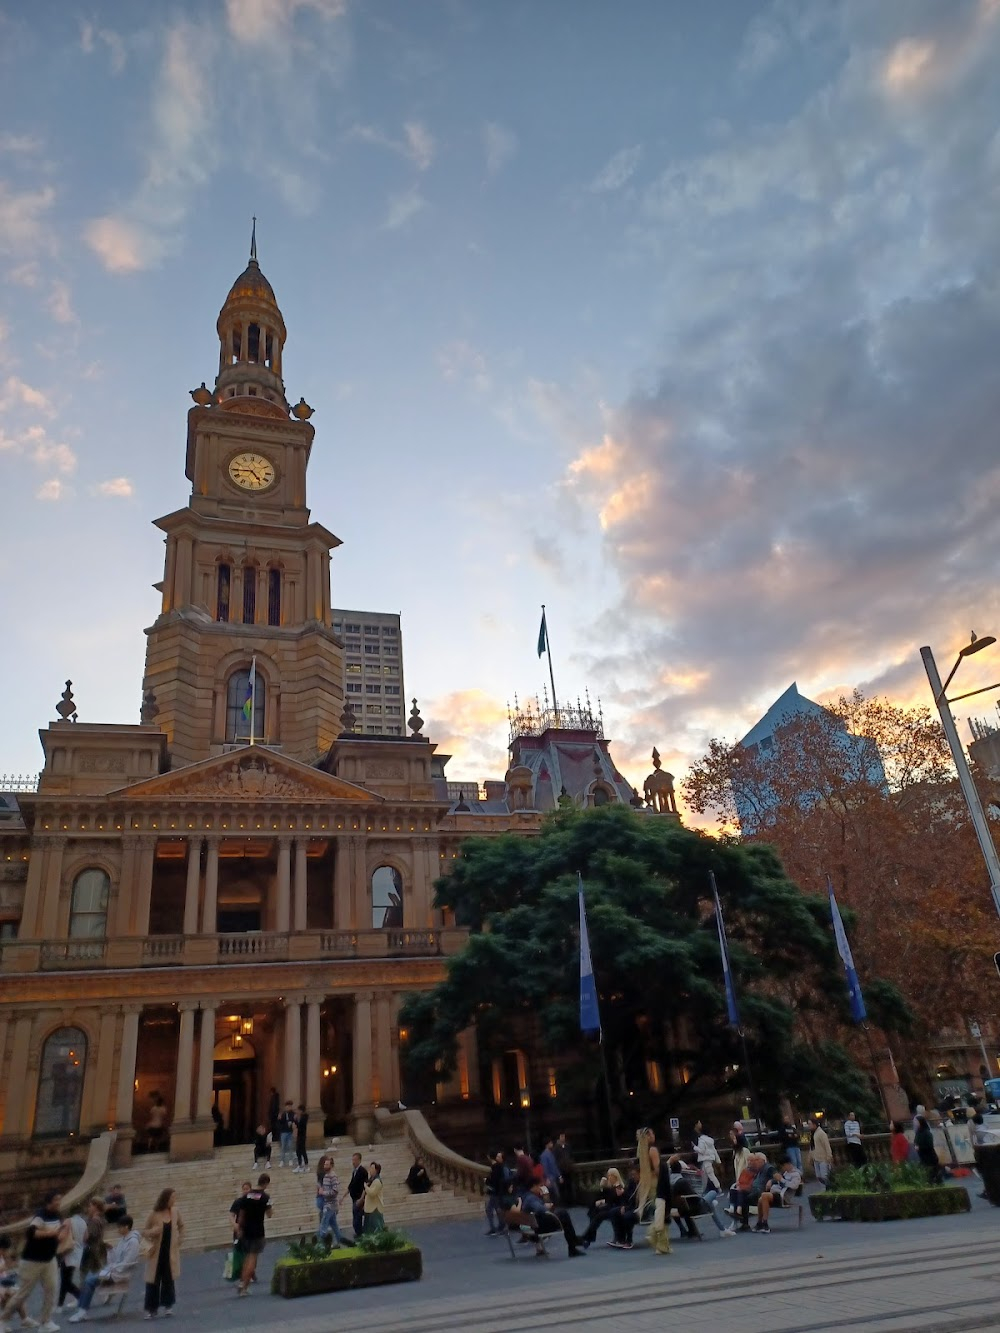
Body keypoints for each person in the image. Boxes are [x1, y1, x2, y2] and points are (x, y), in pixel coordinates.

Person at [5, 1189, 63, 1332]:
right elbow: (31, 1233)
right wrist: (51, 1233)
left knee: (52, 1289)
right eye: (56, 1199)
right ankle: (2, 1320)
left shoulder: (58, 1215)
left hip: (49, 1259)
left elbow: (59, 1232)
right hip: (32, 1260)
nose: (59, 1202)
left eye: (60, 1199)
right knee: (23, 1293)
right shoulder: (40, 1215)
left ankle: (45, 1322)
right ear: (49, 1201)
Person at [67, 1215, 141, 1323]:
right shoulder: (123, 1240)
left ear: (126, 1227)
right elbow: (116, 1257)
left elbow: (127, 1261)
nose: (118, 1229)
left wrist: (112, 1268)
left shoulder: (133, 1242)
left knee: (89, 1281)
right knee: (89, 1279)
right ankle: (81, 1310)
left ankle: (82, 1311)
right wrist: (111, 1250)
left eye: (120, 1227)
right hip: (113, 1269)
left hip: (118, 1273)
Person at [142, 1186, 183, 1318]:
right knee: (153, 1280)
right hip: (156, 1253)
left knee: (168, 1279)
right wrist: (153, 1232)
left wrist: (179, 1239)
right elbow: (144, 1231)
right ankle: (151, 1309)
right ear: (166, 1198)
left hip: (170, 1251)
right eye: (172, 1197)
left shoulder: (175, 1212)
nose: (174, 1200)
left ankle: (168, 1305)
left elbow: (182, 1226)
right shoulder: (154, 1213)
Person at [517, 1183, 586, 1257]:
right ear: (532, 1187)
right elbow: (540, 1209)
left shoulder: (526, 1196)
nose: (540, 1188)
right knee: (564, 1214)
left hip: (533, 1225)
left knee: (562, 1215)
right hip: (539, 1227)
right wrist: (546, 1206)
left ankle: (574, 1242)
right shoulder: (531, 1198)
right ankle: (574, 1244)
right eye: (538, 1186)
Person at [235, 1175, 272, 1297]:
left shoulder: (247, 1195)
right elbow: (269, 1214)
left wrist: (239, 1228)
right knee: (252, 1259)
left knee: (247, 1257)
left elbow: (241, 1214)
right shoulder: (265, 1197)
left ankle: (242, 1281)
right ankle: (244, 1287)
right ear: (266, 1183)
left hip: (246, 1230)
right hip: (258, 1230)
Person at [580, 1169, 625, 1246]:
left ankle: (587, 1236)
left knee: (599, 1215)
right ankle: (589, 1237)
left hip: (615, 1208)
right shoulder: (610, 1186)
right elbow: (601, 1197)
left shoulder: (619, 1186)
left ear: (615, 1176)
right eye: (608, 1175)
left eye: (611, 1175)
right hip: (609, 1207)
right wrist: (601, 1188)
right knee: (593, 1211)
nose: (609, 1177)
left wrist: (602, 1202)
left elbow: (612, 1200)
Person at [57, 1206, 88, 1312]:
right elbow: (85, 1238)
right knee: (66, 1279)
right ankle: (61, 1304)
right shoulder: (83, 1222)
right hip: (78, 1252)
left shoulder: (68, 1221)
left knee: (65, 1280)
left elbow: (61, 1237)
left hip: (68, 1252)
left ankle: (79, 1296)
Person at [317, 1157, 351, 1247]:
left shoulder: (333, 1176)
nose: (325, 1166)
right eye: (324, 1164)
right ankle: (347, 1242)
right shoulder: (326, 1176)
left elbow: (335, 1191)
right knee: (335, 1227)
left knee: (323, 1227)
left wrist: (323, 1192)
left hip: (330, 1205)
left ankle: (322, 1245)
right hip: (328, 1204)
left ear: (331, 1166)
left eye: (327, 1165)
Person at [608, 1167, 642, 1249]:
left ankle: (629, 1240)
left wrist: (627, 1208)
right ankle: (619, 1238)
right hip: (629, 1206)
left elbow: (637, 1199)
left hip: (639, 1207)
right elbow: (627, 1195)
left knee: (627, 1216)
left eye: (634, 1174)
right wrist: (624, 1206)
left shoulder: (643, 1184)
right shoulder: (631, 1182)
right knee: (613, 1212)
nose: (633, 1176)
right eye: (632, 1174)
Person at [484, 1151, 509, 1235]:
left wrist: (487, 1181)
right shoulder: (500, 1167)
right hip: (498, 1191)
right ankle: (500, 1226)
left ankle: (498, 1226)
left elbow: (494, 1180)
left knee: (492, 1209)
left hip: (495, 1192)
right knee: (495, 1209)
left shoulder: (495, 1167)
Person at [693, 1120, 722, 1190]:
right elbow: (714, 1150)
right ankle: (704, 1189)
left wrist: (694, 1147)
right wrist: (718, 1160)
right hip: (710, 1159)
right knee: (705, 1175)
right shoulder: (710, 1140)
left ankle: (718, 1188)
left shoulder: (701, 1140)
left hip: (705, 1159)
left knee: (710, 1175)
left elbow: (702, 1151)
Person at [915, 1115, 944, 1185]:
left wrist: (920, 1147)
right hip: (923, 1157)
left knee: (932, 1173)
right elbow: (916, 1141)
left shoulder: (927, 1132)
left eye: (916, 1122)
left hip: (929, 1157)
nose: (915, 1123)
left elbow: (930, 1144)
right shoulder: (918, 1132)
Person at [348, 1152, 368, 1239]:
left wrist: (362, 1198)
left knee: (357, 1217)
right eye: (352, 1160)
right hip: (354, 1197)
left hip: (359, 1198)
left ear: (359, 1160)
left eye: (355, 1160)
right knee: (355, 1216)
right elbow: (352, 1184)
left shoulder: (363, 1171)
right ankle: (359, 1233)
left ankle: (360, 1234)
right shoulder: (354, 1171)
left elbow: (366, 1185)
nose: (353, 1162)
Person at [363, 1162, 386, 1233]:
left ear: (376, 1170)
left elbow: (372, 1193)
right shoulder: (371, 1180)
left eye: (372, 1168)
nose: (370, 1170)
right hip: (369, 1208)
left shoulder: (377, 1181)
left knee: (377, 1228)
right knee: (369, 1229)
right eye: (370, 1168)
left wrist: (365, 1187)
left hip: (375, 1208)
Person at [539, 1138, 562, 1204]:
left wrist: (559, 1176)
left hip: (553, 1177)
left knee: (555, 1195)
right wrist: (547, 1178)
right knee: (555, 1195)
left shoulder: (551, 1154)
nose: (552, 1144)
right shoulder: (544, 1155)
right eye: (551, 1143)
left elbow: (555, 1166)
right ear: (547, 1144)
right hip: (549, 1178)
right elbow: (544, 1168)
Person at [811, 1117, 833, 1187]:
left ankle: (826, 1189)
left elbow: (827, 1145)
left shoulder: (821, 1133)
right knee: (819, 1176)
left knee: (824, 1176)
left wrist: (829, 1156)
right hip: (816, 1158)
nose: (809, 1126)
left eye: (810, 1124)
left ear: (814, 1124)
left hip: (823, 1158)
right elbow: (812, 1147)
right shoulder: (814, 1133)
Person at [554, 1132, 575, 1205]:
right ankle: (563, 1203)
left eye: (564, 1136)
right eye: (561, 1137)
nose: (563, 1138)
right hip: (561, 1170)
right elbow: (556, 1159)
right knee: (562, 1187)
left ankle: (571, 1202)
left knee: (569, 1186)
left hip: (568, 1169)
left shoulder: (568, 1146)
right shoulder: (556, 1148)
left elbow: (571, 1156)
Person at [277, 1100, 296, 1168]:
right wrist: (279, 1119)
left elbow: (295, 1121)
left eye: (290, 1106)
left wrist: (292, 1123)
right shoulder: (283, 1114)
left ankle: (290, 1160)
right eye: (287, 1106)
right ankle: (282, 1161)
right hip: (283, 1132)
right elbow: (279, 1123)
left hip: (290, 1132)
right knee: (283, 1147)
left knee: (290, 1146)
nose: (288, 1107)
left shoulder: (293, 1114)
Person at [294, 1104, 309, 1172]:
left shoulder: (305, 1116)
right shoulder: (299, 1117)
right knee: (298, 1150)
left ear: (301, 1110)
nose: (297, 1111)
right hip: (299, 1135)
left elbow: (301, 1125)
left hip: (302, 1135)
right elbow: (297, 1125)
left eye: (298, 1110)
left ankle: (306, 1165)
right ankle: (300, 1165)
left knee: (303, 1150)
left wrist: (297, 1120)